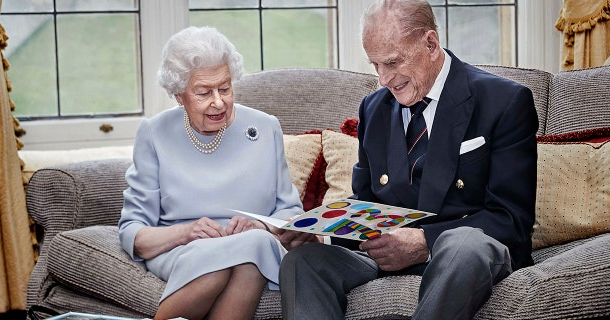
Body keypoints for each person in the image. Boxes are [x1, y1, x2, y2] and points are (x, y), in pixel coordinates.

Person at [276, 0, 538, 319]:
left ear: (430, 43)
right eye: (375, 65)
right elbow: (367, 204)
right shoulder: (373, 109)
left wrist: (424, 241)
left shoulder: (504, 101)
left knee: (463, 245)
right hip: (387, 258)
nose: (384, 79)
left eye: (392, 62)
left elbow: (512, 219)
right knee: (302, 262)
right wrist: (321, 234)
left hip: (467, 255)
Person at [118, 26, 304, 320]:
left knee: (251, 252)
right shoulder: (154, 133)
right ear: (179, 95)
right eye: (203, 92)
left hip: (257, 246)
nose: (218, 102)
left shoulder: (265, 127)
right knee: (223, 266)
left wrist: (263, 228)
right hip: (184, 250)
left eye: (225, 88)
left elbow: (290, 210)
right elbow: (134, 233)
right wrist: (186, 232)